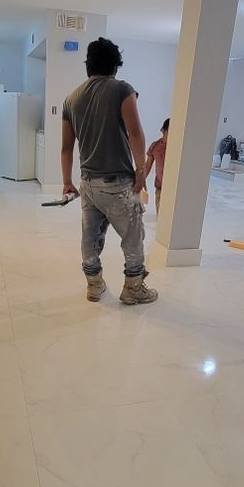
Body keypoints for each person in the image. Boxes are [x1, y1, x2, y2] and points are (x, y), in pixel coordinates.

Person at [61, 37, 158, 305]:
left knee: (90, 237)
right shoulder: (122, 89)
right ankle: (133, 288)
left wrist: (67, 181)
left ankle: (94, 286)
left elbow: (66, 147)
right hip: (117, 183)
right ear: (115, 66)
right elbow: (135, 131)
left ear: (88, 65)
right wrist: (141, 169)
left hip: (88, 184)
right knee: (133, 236)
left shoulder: (71, 99)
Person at [144, 118, 169, 214]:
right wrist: (141, 179)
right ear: (163, 131)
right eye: (169, 132)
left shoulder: (178, 148)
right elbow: (147, 166)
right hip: (160, 187)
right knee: (161, 214)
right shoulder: (155, 146)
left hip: (174, 188)